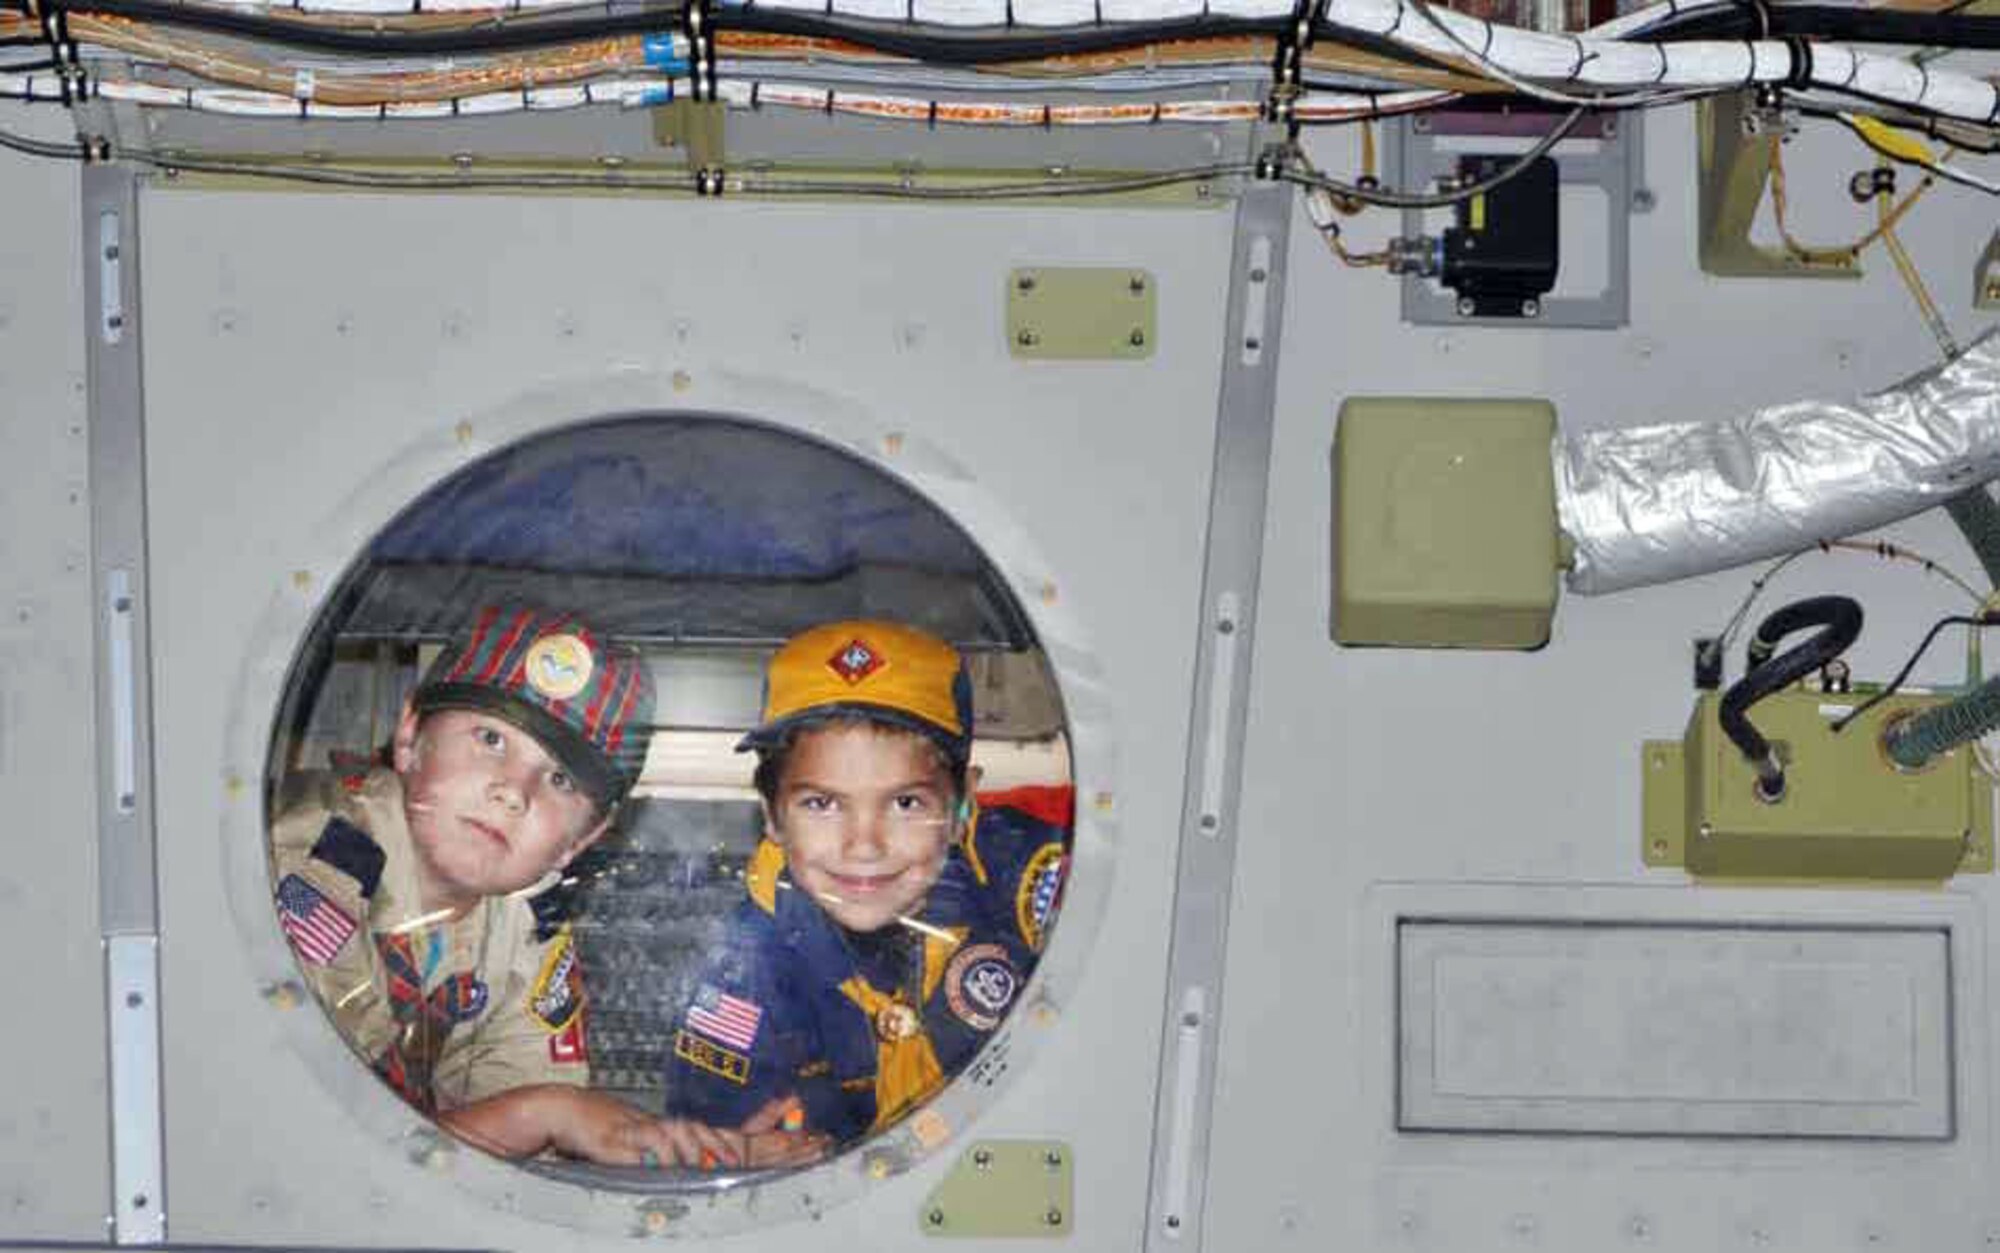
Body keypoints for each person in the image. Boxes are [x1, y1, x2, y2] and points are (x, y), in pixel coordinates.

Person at [271, 603, 817, 1169]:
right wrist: (545, 1114)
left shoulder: (522, 919)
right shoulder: (313, 866)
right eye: (490, 738)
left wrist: (689, 1151)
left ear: (581, 840)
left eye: (559, 779)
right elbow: (313, 1155)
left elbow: (511, 1125)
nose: (514, 791)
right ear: (409, 736)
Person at [662, 620, 1069, 1147]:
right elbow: (710, 1147)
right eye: (822, 803)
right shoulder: (748, 969)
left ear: (964, 807)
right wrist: (752, 1155)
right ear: (773, 816)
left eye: (905, 803)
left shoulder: (1033, 873)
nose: (864, 846)